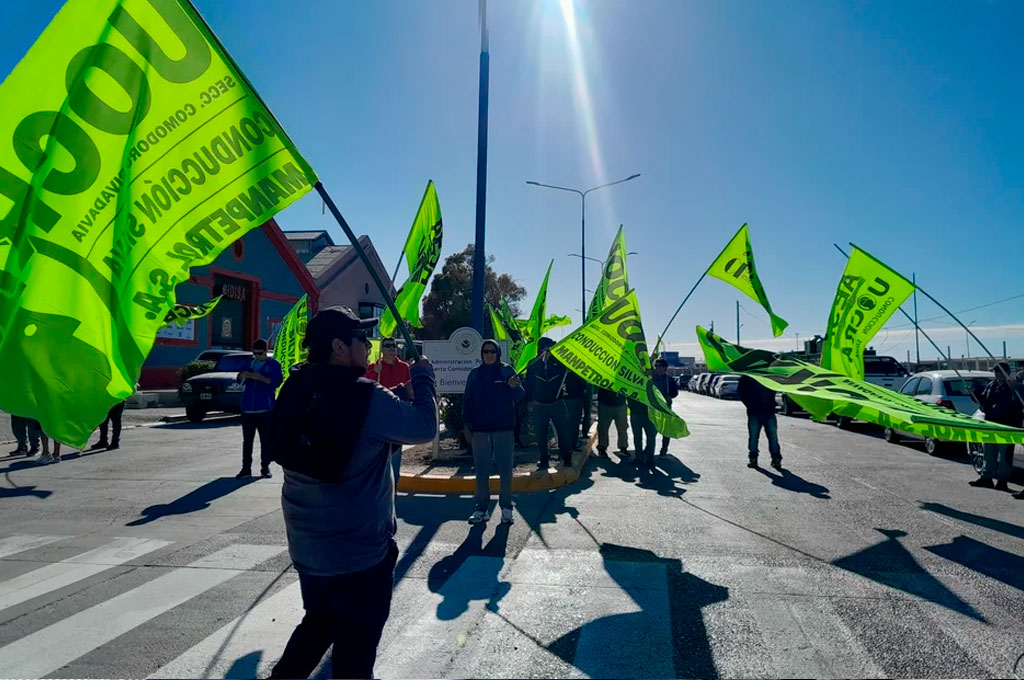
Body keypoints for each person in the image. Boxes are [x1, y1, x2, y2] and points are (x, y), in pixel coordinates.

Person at [268, 306, 437, 680]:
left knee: (318, 624)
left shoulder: (296, 388)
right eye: (361, 339)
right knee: (354, 657)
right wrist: (423, 378)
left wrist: (392, 394)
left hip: (309, 552)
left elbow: (341, 427)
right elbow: (424, 426)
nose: (370, 344)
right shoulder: (367, 398)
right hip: (360, 558)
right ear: (339, 347)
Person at [463, 339, 525, 525]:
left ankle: (506, 509)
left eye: (492, 351)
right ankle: (481, 509)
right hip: (480, 430)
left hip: (503, 429)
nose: (489, 355)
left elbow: (520, 395)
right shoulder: (474, 374)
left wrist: (516, 387)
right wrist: (466, 424)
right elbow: (468, 400)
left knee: (505, 471)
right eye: (485, 352)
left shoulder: (507, 371)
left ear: (498, 353)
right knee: (481, 471)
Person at [364, 337, 414, 481]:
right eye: (387, 346)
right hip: (379, 417)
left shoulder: (404, 367)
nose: (392, 348)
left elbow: (410, 389)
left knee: (396, 452)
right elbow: (367, 387)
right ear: (382, 349)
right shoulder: (374, 367)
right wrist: (374, 372)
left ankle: (394, 484)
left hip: (397, 416)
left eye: (394, 345)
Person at [969, 362, 1022, 492]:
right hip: (991, 424)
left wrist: (1016, 387)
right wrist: (973, 393)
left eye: (1000, 372)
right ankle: (986, 478)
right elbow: (984, 401)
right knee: (989, 452)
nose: (998, 375)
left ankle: (1002, 481)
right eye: (996, 372)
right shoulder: (991, 385)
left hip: (1007, 425)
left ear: (1007, 373)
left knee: (1005, 455)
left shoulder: (1013, 386)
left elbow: (1017, 402)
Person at [236, 338, 283, 480]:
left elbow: (275, 382)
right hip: (248, 409)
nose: (256, 356)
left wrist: (259, 377)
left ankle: (265, 467)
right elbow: (239, 379)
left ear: (266, 351)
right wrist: (243, 375)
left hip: (265, 409)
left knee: (265, 440)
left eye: (259, 353)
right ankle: (246, 468)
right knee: (247, 441)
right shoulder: (249, 363)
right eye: (254, 353)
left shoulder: (273, 365)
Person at [525, 337, 573, 470]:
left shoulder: (559, 363)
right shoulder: (533, 364)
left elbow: (567, 375)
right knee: (541, 434)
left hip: (557, 403)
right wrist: (530, 401)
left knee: (563, 432)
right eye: (548, 346)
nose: (550, 349)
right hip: (539, 405)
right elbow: (528, 384)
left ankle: (566, 457)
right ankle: (544, 459)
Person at [738, 375, 782, 469]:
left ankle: (754, 460)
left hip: (758, 411)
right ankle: (775, 459)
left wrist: (749, 405)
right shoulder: (767, 375)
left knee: (755, 437)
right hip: (764, 411)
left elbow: (741, 392)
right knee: (771, 437)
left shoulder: (748, 376)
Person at [652, 358, 680, 455]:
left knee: (666, 431)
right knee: (652, 431)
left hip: (666, 407)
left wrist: (670, 396)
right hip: (654, 407)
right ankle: (649, 450)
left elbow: (675, 393)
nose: (657, 369)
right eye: (656, 366)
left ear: (665, 368)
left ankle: (664, 449)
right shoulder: (651, 379)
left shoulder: (669, 379)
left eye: (659, 366)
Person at [596, 387, 629, 459]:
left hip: (620, 403)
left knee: (623, 427)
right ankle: (602, 448)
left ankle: (623, 447)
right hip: (605, 403)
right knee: (603, 427)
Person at [628, 397, 657, 468]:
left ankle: (649, 459)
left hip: (650, 412)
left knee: (651, 437)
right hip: (636, 412)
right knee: (638, 437)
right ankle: (639, 458)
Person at [562, 369, 587, 451]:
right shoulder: (576, 371)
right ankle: (572, 444)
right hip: (575, 398)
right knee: (574, 422)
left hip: (564, 398)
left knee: (567, 422)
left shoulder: (561, 367)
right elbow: (582, 384)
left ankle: (567, 444)